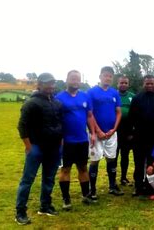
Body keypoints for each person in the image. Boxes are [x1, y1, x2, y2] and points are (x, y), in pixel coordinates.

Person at [15, 73, 63, 225]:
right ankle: (20, 212)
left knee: (49, 179)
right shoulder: (31, 103)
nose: (50, 86)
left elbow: (60, 123)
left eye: (52, 83)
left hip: (54, 148)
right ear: (39, 84)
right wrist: (28, 146)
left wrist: (60, 141)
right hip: (36, 147)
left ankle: (45, 205)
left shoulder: (56, 103)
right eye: (47, 83)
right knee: (27, 180)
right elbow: (22, 126)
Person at [56, 70, 97, 211]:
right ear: (67, 79)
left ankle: (86, 195)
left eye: (78, 79)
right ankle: (66, 199)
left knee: (83, 168)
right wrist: (59, 137)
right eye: (73, 79)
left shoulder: (85, 97)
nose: (75, 82)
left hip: (82, 140)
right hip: (66, 141)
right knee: (65, 169)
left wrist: (92, 133)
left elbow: (90, 116)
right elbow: (56, 120)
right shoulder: (59, 98)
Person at [128, 75, 154, 196]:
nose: (150, 85)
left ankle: (152, 186)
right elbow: (131, 117)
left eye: (152, 83)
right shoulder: (136, 98)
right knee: (139, 163)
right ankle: (138, 186)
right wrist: (130, 133)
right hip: (139, 137)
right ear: (143, 84)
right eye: (147, 83)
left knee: (153, 162)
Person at [87, 66, 123, 200]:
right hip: (96, 134)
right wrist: (98, 131)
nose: (108, 78)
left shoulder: (114, 93)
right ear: (100, 76)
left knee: (112, 159)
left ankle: (112, 186)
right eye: (105, 75)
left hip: (111, 133)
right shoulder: (91, 92)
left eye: (110, 76)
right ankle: (93, 190)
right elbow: (89, 114)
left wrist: (114, 129)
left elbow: (118, 112)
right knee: (95, 161)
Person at [116, 75, 135, 186]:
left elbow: (135, 114)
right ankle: (112, 179)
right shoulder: (113, 95)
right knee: (113, 156)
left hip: (127, 131)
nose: (123, 84)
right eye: (121, 83)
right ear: (117, 83)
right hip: (115, 130)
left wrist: (132, 132)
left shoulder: (132, 97)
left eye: (125, 83)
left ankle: (123, 177)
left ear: (128, 84)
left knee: (125, 155)